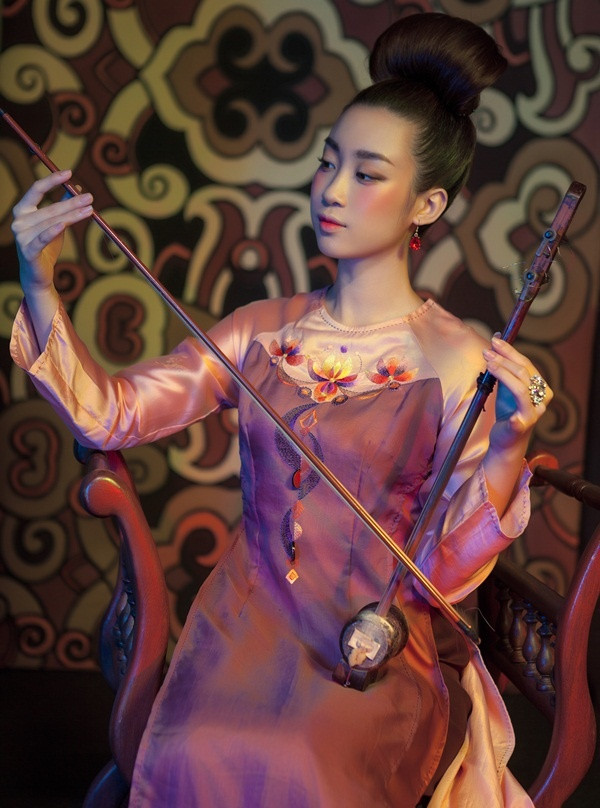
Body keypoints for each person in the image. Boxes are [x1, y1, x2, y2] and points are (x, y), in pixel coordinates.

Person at [10, 12, 551, 807]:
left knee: (308, 763)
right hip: (246, 623)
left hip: (376, 640)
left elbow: (440, 575)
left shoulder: (458, 359)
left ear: (427, 203)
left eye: (367, 174)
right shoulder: (259, 331)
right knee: (199, 747)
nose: (332, 189)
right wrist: (37, 281)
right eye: (329, 161)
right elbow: (110, 417)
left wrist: (507, 447)